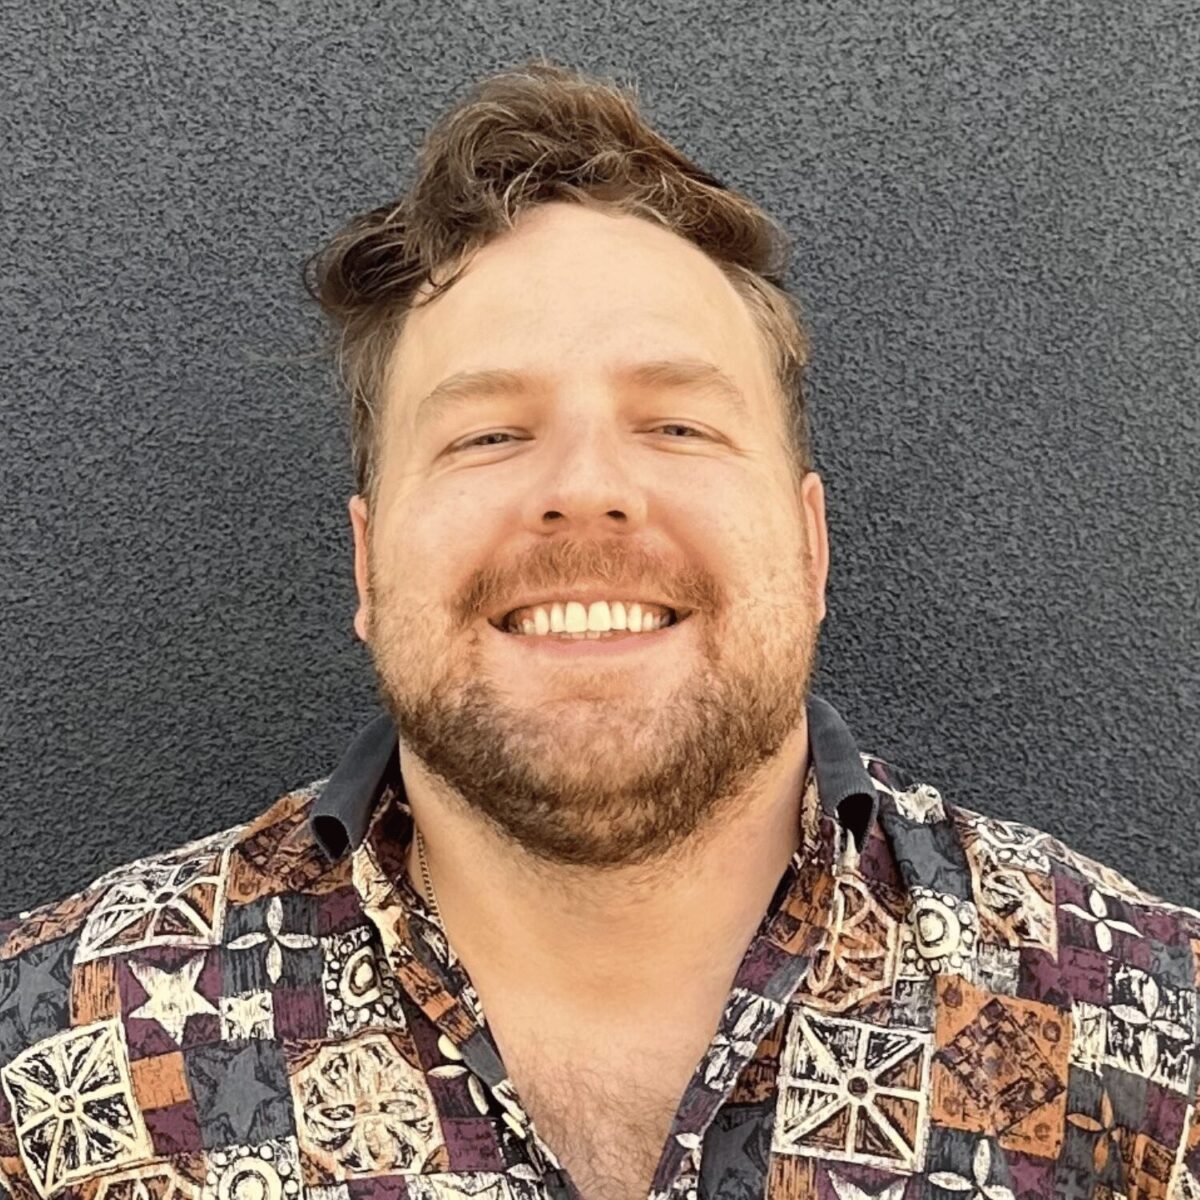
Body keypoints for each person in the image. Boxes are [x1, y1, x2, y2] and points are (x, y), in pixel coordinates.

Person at [2, 58, 1198, 1200]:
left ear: (811, 547)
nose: (584, 488)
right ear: (367, 564)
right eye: (487, 434)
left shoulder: (1147, 1037)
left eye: (676, 424)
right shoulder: (53, 1054)